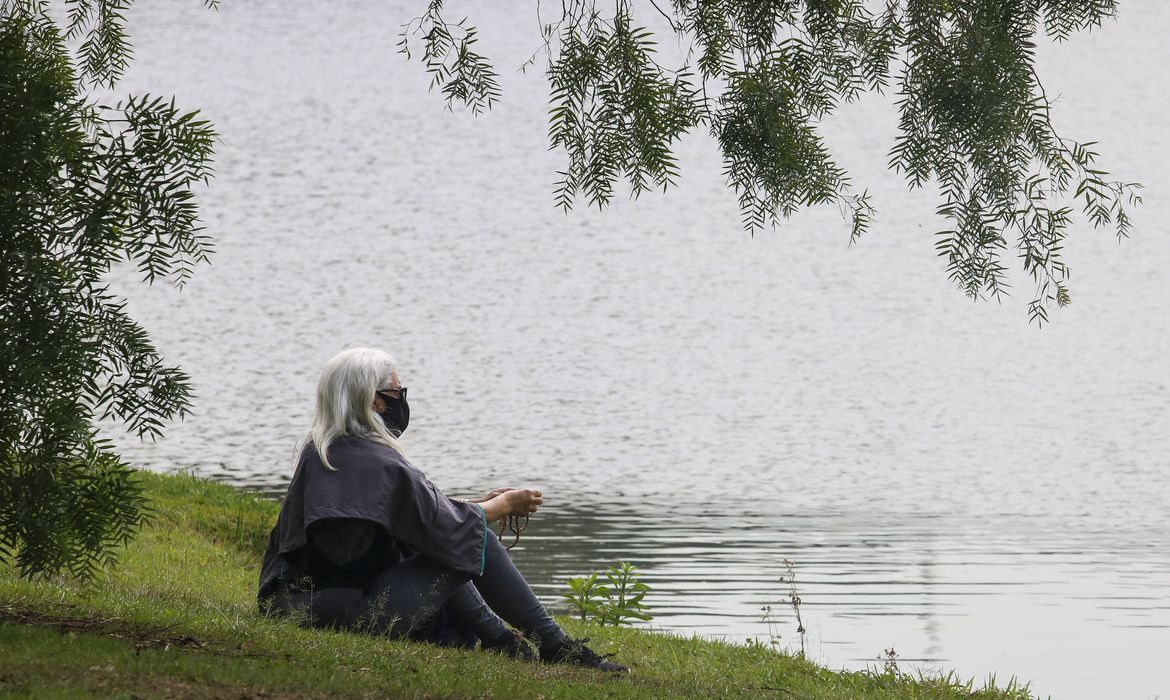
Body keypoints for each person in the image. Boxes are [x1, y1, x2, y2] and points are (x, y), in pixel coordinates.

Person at [257, 347, 625, 672]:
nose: (401, 398)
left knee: (452, 538)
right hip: (341, 611)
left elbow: (418, 519)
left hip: (290, 604)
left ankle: (501, 640)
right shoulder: (375, 461)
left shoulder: (324, 449)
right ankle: (553, 645)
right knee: (475, 541)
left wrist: (478, 506)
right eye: (396, 391)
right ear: (374, 402)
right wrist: (505, 505)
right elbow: (443, 527)